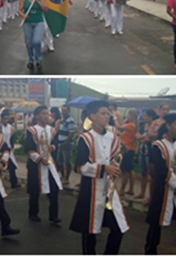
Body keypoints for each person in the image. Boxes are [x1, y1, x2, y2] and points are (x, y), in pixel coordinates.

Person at [69, 100, 129, 255]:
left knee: (118, 228)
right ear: (92, 116)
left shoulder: (113, 137)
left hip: (109, 189)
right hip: (91, 189)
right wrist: (104, 168)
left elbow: (116, 158)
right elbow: (79, 167)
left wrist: (115, 168)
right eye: (103, 113)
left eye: (108, 113)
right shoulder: (86, 138)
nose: (107, 116)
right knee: (89, 232)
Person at [144, 113, 176, 254]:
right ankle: (150, 252)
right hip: (163, 189)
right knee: (156, 226)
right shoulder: (158, 146)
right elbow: (161, 170)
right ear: (168, 126)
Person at [25, 105, 62, 224]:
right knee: (35, 190)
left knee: (54, 189)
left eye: (47, 113)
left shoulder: (52, 129)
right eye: (43, 113)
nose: (46, 116)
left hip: (50, 162)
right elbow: (28, 149)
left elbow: (55, 142)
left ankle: (53, 215)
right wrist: (40, 158)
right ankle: (33, 213)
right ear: (37, 116)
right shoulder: (31, 130)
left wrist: (53, 147)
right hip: (36, 163)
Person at [18, 0, 49, 70]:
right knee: (29, 43)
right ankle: (31, 60)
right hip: (27, 23)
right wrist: (22, 15)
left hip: (38, 22)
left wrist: (38, 1)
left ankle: (38, 59)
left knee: (36, 41)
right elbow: (19, 10)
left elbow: (46, 9)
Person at [134, 108, 158, 206]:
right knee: (143, 173)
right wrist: (145, 137)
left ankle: (151, 195)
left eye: (145, 116)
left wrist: (144, 137)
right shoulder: (143, 126)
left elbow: (150, 137)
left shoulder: (154, 126)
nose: (144, 118)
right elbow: (137, 136)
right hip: (141, 151)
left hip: (150, 152)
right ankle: (142, 192)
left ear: (150, 117)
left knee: (151, 174)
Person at [114, 108, 137, 197]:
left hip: (127, 149)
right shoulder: (130, 125)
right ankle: (130, 189)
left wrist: (115, 118)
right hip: (129, 148)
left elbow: (119, 127)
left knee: (125, 170)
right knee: (129, 169)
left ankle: (122, 189)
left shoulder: (131, 125)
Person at [0, 110, 19, 189]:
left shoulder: (11, 128)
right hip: (1, 150)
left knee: (12, 167)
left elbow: (12, 138)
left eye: (7, 119)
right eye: (4, 119)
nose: (6, 120)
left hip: (9, 149)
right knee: (0, 167)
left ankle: (14, 182)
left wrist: (12, 147)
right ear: (2, 119)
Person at [56, 104, 76, 184]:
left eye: (65, 110)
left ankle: (67, 178)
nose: (63, 112)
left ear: (68, 111)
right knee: (59, 161)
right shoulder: (62, 119)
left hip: (66, 143)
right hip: (60, 142)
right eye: (62, 110)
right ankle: (63, 176)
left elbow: (71, 133)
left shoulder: (70, 120)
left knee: (67, 161)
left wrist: (65, 142)